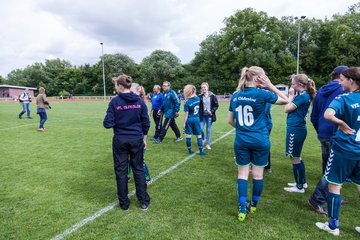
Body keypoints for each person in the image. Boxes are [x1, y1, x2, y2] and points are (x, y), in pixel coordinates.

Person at [228, 66, 289, 222]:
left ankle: (242, 208)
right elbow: (287, 100)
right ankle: (253, 205)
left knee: (242, 174)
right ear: (257, 78)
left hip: (241, 140)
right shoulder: (262, 94)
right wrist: (270, 85)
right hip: (260, 140)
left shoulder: (235, 96)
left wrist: (243, 129)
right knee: (257, 175)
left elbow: (230, 121)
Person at [315, 67, 360, 236]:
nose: (340, 82)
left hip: (344, 149)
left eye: (342, 79)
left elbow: (328, 114)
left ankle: (333, 226)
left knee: (334, 185)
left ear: (351, 81)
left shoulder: (344, 98)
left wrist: (340, 122)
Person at [103, 74, 150, 211]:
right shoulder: (139, 101)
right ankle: (143, 201)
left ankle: (124, 203)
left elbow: (107, 123)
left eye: (116, 85)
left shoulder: (115, 102)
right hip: (136, 139)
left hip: (121, 140)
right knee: (138, 169)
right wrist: (144, 138)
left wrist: (117, 119)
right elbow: (146, 123)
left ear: (120, 86)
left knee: (121, 171)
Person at [308, 65, 348, 215]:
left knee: (328, 167)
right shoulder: (344, 90)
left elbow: (314, 115)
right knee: (332, 169)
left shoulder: (320, 91)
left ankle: (333, 195)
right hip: (335, 132)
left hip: (323, 133)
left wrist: (320, 130)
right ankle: (317, 199)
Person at [283, 74, 316, 193]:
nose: (291, 86)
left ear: (299, 85)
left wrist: (290, 95)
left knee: (294, 157)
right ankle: (302, 182)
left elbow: (286, 109)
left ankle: (299, 187)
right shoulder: (304, 95)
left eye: (292, 84)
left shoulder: (302, 96)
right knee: (297, 156)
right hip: (298, 128)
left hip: (295, 129)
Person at [128, 83, 152, 185]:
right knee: (128, 157)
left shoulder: (142, 105)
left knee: (139, 159)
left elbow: (146, 123)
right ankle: (127, 176)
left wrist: (144, 139)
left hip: (139, 135)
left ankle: (147, 178)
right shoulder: (129, 103)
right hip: (130, 135)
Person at [182, 84, 207, 156]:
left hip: (189, 119)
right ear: (194, 91)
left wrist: (184, 123)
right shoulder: (198, 99)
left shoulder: (187, 102)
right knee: (199, 135)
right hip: (196, 119)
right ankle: (201, 151)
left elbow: (186, 114)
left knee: (188, 135)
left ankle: (190, 151)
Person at [199, 82, 219, 150]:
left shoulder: (212, 96)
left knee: (208, 130)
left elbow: (216, 105)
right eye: (202, 87)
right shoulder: (200, 96)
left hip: (209, 116)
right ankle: (203, 139)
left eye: (204, 87)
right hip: (202, 116)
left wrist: (212, 111)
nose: (203, 88)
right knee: (200, 129)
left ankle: (207, 144)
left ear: (207, 87)